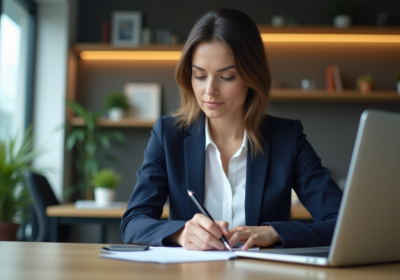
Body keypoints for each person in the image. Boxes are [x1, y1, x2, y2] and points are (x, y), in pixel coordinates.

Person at [120, 8, 343, 251]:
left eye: (226, 77)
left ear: (252, 76)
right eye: (200, 76)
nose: (210, 91)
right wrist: (181, 234)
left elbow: (341, 223)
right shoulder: (168, 134)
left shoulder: (286, 138)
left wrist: (275, 232)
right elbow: (132, 223)